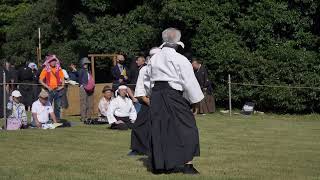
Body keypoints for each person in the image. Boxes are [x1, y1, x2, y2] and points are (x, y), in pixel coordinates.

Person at [144, 28, 204, 174]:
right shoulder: (180, 59)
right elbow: (189, 82)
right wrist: (195, 102)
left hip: (157, 95)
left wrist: (152, 96)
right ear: (178, 42)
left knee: (159, 128)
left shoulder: (153, 59)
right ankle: (187, 164)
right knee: (188, 127)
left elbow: (148, 81)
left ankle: (159, 166)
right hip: (173, 95)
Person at [129, 47, 161, 156]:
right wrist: (146, 100)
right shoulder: (144, 69)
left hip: (163, 100)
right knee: (139, 125)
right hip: (147, 99)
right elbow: (140, 87)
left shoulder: (167, 69)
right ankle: (137, 149)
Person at [39, 55, 65, 120]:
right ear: (49, 62)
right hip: (49, 90)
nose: (53, 62)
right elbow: (40, 80)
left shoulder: (58, 68)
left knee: (58, 106)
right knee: (47, 106)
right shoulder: (45, 69)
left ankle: (57, 120)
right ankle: (47, 119)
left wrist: (62, 85)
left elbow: (62, 77)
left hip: (58, 89)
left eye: (54, 61)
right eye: (52, 61)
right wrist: (47, 87)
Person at [78, 57, 94, 122]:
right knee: (83, 103)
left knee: (89, 102)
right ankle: (83, 117)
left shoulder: (89, 71)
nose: (86, 65)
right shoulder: (81, 70)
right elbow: (79, 79)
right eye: (85, 64)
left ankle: (89, 117)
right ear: (82, 64)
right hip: (83, 87)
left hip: (90, 88)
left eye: (87, 64)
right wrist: (82, 85)